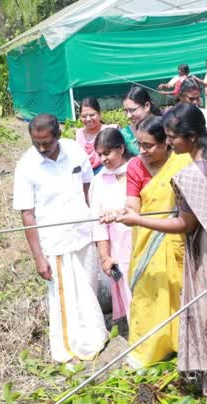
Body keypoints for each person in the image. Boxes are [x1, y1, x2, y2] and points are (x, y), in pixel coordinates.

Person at [109, 103, 207, 399]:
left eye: (173, 137)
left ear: (192, 136)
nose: (169, 143)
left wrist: (137, 220)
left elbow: (185, 224)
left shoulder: (193, 173)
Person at [13, 114, 108, 363]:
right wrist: (38, 257)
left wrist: (95, 228)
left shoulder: (75, 151)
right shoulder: (26, 165)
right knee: (64, 298)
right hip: (54, 243)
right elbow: (27, 215)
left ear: (57, 135)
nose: (42, 148)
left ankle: (95, 337)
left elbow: (88, 187)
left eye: (46, 142)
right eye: (37, 143)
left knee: (89, 289)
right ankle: (69, 348)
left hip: (83, 235)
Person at [124, 116, 192, 368]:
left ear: (167, 144)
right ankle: (148, 352)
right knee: (147, 294)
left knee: (177, 293)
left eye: (149, 146)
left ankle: (180, 348)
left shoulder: (184, 163)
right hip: (146, 241)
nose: (142, 151)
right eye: (139, 144)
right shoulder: (134, 167)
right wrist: (127, 214)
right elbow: (133, 204)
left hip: (178, 240)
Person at [89, 128, 133, 322]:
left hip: (144, 238)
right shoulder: (98, 182)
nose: (103, 158)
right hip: (118, 247)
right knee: (128, 291)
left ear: (121, 149)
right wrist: (105, 257)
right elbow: (97, 224)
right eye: (99, 154)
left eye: (107, 152)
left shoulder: (138, 169)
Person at [75, 97, 119, 174]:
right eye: (84, 116)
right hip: (85, 176)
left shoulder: (111, 130)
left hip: (110, 175)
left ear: (99, 113)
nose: (88, 119)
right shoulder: (79, 134)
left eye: (92, 115)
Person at [121, 86, 160, 155]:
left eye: (132, 110)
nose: (128, 116)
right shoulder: (125, 134)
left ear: (147, 106)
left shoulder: (164, 127)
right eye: (126, 111)